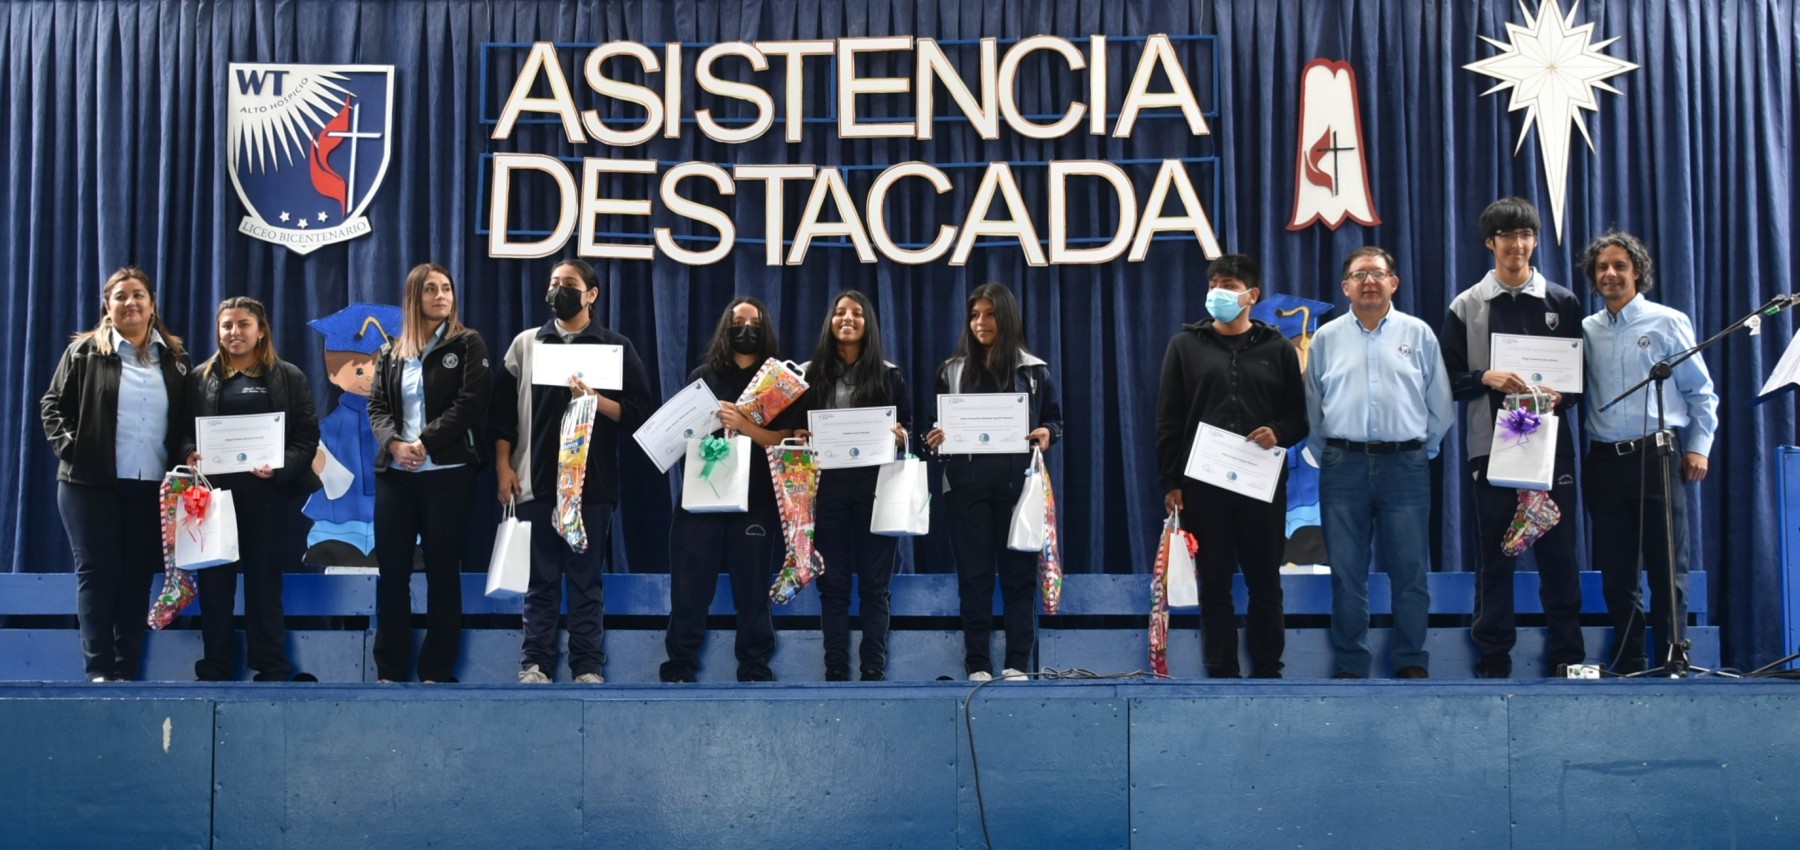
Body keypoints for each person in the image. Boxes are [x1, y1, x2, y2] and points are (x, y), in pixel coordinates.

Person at [1441, 197, 1587, 678]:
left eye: (1525, 235)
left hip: (1551, 449)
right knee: (1496, 553)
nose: (1517, 244)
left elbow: (1579, 381)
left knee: (1559, 552)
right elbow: (1447, 379)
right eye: (1506, 235)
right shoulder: (1467, 304)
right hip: (1491, 448)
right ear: (1490, 242)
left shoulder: (1562, 302)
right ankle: (1494, 654)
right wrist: (1485, 377)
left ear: (1535, 241)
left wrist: (1561, 394)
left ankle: (1567, 654)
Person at [492, 258, 651, 684]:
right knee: (539, 580)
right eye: (554, 282)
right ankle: (535, 663)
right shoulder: (526, 344)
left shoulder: (615, 346)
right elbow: (502, 416)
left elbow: (639, 412)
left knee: (586, 581)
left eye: (569, 283)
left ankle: (587, 665)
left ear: (591, 294)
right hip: (535, 482)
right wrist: (503, 466)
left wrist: (597, 399)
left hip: (591, 487)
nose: (558, 290)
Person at [1153, 255, 1307, 679]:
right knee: (1214, 579)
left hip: (1261, 485)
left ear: (1252, 295)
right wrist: (1171, 481)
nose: (1218, 292)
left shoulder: (1278, 348)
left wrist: (1278, 431)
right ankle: (1221, 667)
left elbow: (1299, 418)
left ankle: (1268, 667)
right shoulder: (1184, 346)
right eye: (1214, 284)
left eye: (1230, 285)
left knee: (1265, 580)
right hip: (1203, 486)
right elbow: (1168, 419)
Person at [1305, 247, 1453, 679]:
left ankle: (1411, 659)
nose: (1369, 281)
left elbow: (1440, 404)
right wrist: (1328, 452)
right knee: (1346, 572)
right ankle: (1352, 661)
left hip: (1405, 466)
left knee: (1410, 571)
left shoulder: (1419, 334)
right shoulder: (1326, 338)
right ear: (1345, 287)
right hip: (1343, 467)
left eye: (1377, 273)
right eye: (1359, 275)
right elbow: (1312, 404)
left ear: (1394, 282)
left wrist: (1420, 451)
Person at [1578, 229, 1718, 675]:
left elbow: (1701, 392)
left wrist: (1698, 448)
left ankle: (1673, 657)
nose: (1610, 274)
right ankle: (1630, 658)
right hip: (1604, 461)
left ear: (1637, 271)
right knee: (1617, 572)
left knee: (1667, 567)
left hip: (1657, 457)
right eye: (1602, 267)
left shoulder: (1667, 321)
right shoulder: (1586, 330)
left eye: (1620, 265)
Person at [41, 267, 190, 682]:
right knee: (98, 575)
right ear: (107, 306)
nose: (130, 303)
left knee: (136, 579)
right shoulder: (85, 352)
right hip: (89, 485)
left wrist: (188, 453)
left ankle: (126, 671)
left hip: (151, 486)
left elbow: (183, 423)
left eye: (138, 294)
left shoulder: (176, 360)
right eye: (120, 296)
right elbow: (52, 406)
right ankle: (99, 671)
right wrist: (74, 451)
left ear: (152, 304)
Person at [924, 283, 1063, 682]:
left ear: (1007, 317)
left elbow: (1054, 420)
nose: (980, 322)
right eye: (974, 315)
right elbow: (934, 426)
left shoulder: (1033, 370)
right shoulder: (951, 370)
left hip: (1019, 489)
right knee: (974, 579)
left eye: (989, 314)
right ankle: (978, 664)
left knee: (1020, 578)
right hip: (965, 488)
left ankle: (1018, 663)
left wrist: (1047, 433)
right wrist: (935, 437)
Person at [181, 297, 321, 681]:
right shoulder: (198, 378)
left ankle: (271, 665)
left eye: (243, 324)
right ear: (218, 331)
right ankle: (216, 666)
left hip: (267, 495)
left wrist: (279, 468)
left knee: (264, 583)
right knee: (215, 586)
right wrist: (189, 453)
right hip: (214, 497)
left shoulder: (288, 376)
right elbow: (181, 432)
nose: (234, 332)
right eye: (227, 325)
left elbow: (306, 438)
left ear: (260, 331)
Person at [659, 297, 798, 683]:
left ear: (765, 329)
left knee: (753, 584)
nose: (746, 329)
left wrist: (743, 425)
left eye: (754, 323)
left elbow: (784, 441)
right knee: (689, 582)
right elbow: (680, 432)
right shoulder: (703, 376)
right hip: (702, 492)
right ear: (726, 327)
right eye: (738, 322)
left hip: (756, 497)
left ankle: (754, 664)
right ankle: (680, 663)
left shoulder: (777, 381)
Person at [368, 263, 491, 683]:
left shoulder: (468, 343)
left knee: (442, 572)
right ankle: (390, 668)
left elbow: (471, 402)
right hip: (396, 475)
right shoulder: (391, 351)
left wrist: (424, 442)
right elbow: (377, 408)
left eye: (447, 289)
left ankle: (437, 670)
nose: (441, 296)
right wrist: (395, 444)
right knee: (392, 573)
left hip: (448, 473)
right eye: (431, 289)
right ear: (414, 297)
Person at [799, 291, 912, 682]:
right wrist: (800, 434)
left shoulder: (889, 374)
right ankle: (835, 666)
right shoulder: (807, 374)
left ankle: (872, 667)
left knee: (875, 585)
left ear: (869, 324)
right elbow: (792, 428)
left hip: (876, 488)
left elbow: (909, 427)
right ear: (830, 321)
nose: (847, 318)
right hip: (826, 488)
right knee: (833, 583)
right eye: (840, 312)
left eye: (857, 313)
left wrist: (900, 435)